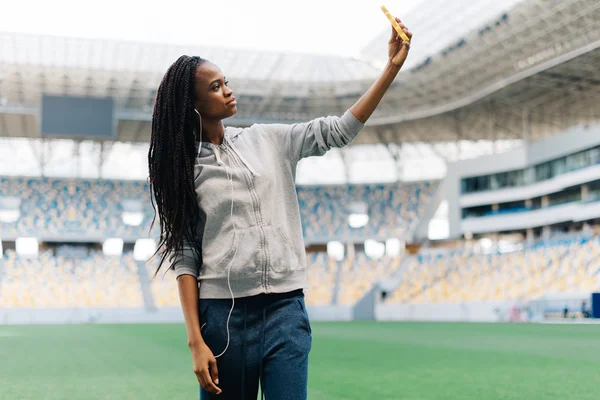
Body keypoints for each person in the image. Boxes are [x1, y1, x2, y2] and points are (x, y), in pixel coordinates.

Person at [147, 16, 412, 400]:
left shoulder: (268, 139)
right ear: (193, 105)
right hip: (224, 321)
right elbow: (185, 257)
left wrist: (390, 68)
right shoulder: (185, 171)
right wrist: (195, 341)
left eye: (226, 82)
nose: (228, 91)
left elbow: (339, 130)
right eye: (216, 87)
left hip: (287, 312)